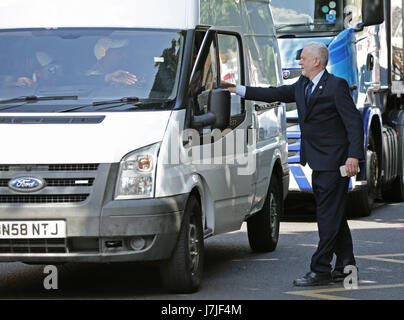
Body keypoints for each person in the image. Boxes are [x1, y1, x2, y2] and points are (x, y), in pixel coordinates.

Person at [223, 42, 364, 286]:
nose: (300, 62)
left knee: (327, 217)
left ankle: (320, 269)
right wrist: (238, 89)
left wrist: (354, 156)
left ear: (317, 61)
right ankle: (345, 265)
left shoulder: (335, 86)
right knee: (334, 216)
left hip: (335, 163)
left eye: (304, 58)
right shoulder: (303, 85)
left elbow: (353, 123)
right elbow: (275, 93)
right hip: (318, 162)